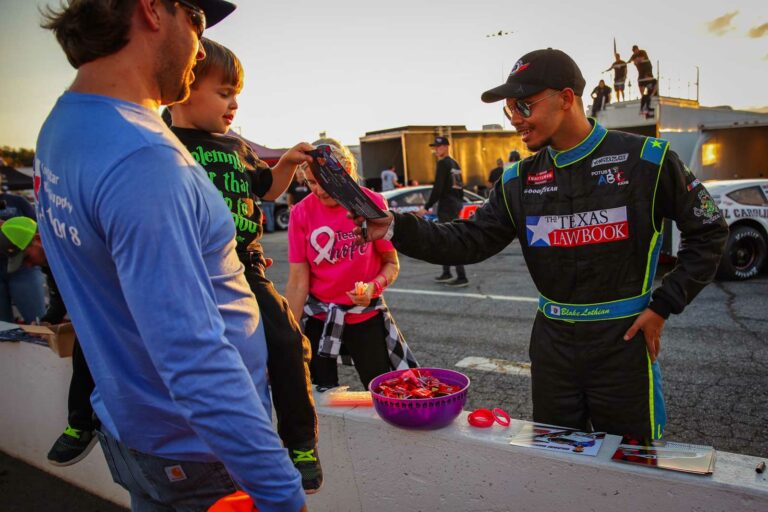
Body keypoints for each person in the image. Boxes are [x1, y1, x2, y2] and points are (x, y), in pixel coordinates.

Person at [351, 48, 728, 443]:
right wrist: (395, 226)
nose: (515, 118)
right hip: (553, 348)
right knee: (555, 462)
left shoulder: (647, 159)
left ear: (566, 98)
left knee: (630, 469)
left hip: (624, 342)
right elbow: (467, 241)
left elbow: (709, 233)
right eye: (509, 108)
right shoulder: (518, 179)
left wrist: (662, 306)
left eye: (524, 105)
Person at [36, 2, 307, 511]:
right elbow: (195, 359)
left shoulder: (65, 122)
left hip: (132, 427)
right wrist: (280, 492)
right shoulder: (145, 159)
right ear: (153, 10)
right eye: (198, 22)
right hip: (199, 450)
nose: (201, 47)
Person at [169, 37, 322, 493]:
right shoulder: (163, 143)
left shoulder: (236, 145)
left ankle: (299, 443)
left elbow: (266, 190)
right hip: (185, 267)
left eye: (237, 95)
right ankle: (81, 419)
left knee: (287, 339)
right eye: (223, 93)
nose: (234, 104)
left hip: (245, 265)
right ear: (183, 87)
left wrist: (290, 164)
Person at [285, 138, 418, 392]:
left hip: (364, 315)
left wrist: (373, 287)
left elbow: (391, 263)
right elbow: (297, 281)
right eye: (311, 182)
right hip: (319, 317)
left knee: (382, 391)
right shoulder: (300, 213)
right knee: (317, 395)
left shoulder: (370, 203)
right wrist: (288, 333)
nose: (320, 191)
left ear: (345, 169)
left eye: (325, 182)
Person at [418, 136, 468, 287]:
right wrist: (459, 203)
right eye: (435, 148)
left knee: (448, 240)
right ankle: (447, 272)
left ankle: (461, 276)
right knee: (447, 238)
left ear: (446, 147)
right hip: (455, 204)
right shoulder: (455, 164)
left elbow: (438, 188)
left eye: (438, 147)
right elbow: (460, 187)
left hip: (447, 205)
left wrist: (426, 206)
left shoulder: (443, 163)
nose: (436, 150)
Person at [0, 177, 45, 324]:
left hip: (23, 267)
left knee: (38, 320)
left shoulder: (17, 201)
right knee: (3, 328)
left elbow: (39, 228)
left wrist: (9, 227)